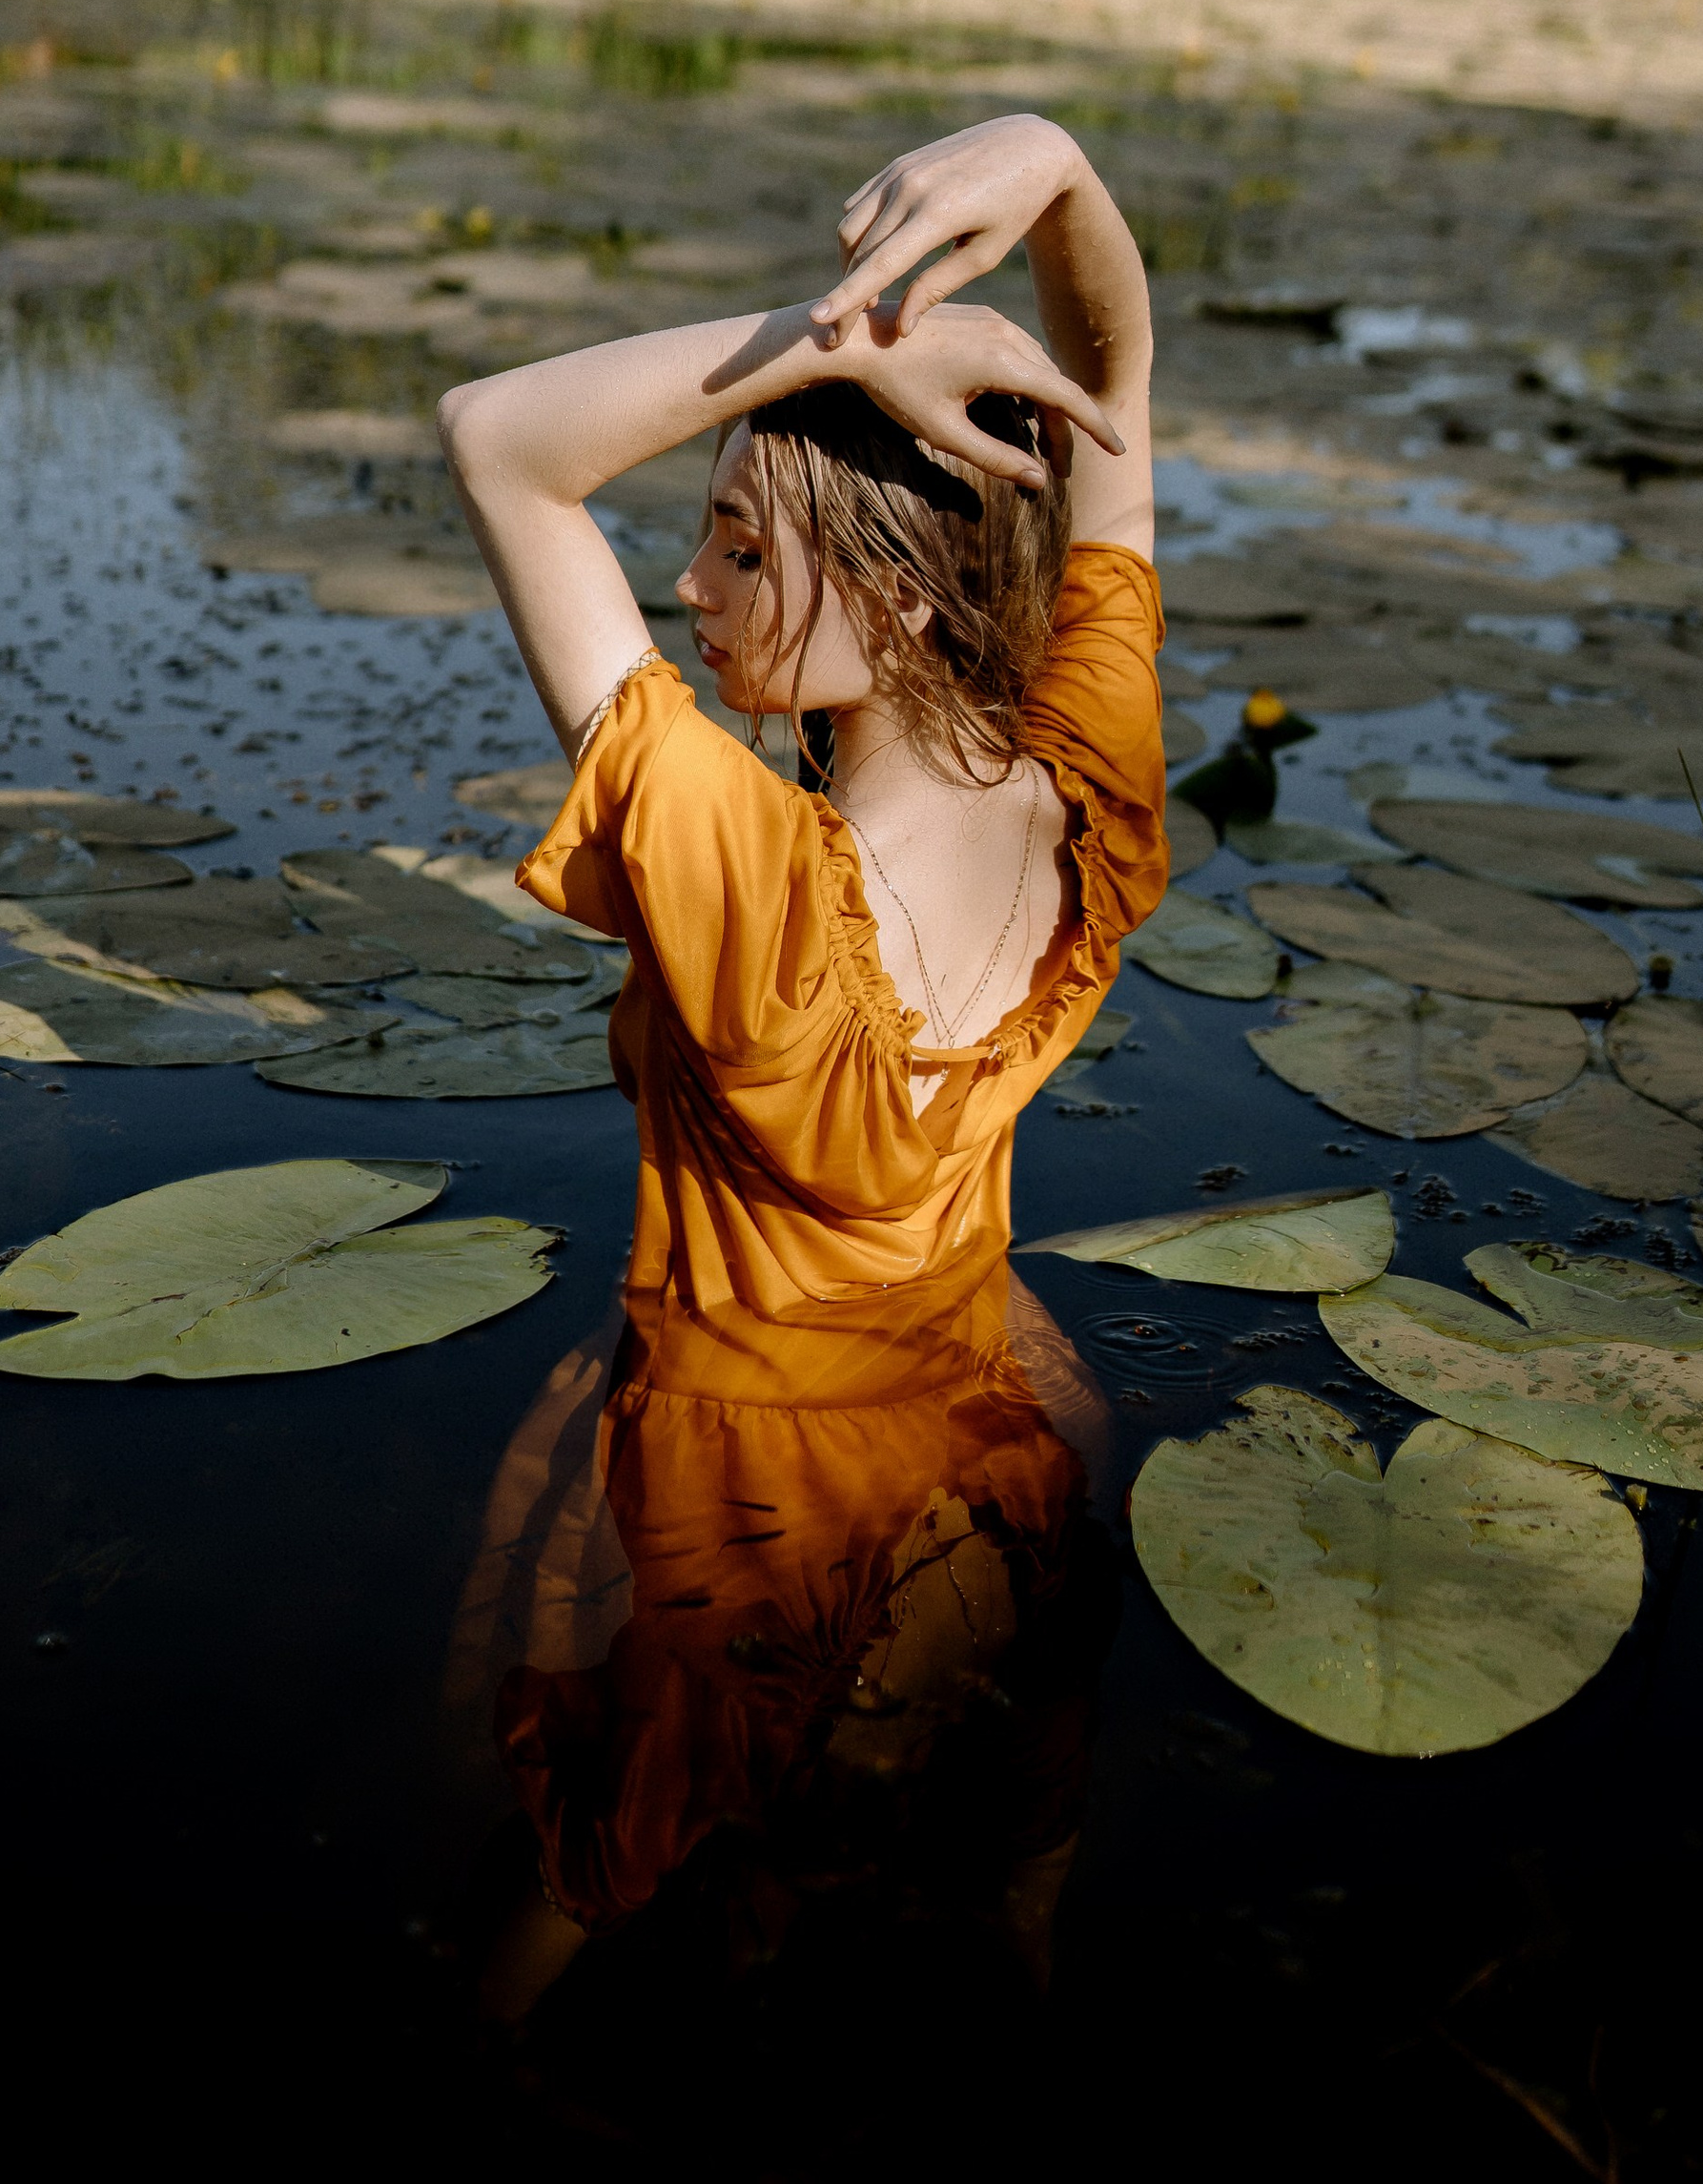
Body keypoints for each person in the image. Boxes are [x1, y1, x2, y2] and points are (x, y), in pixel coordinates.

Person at [437, 112, 1165, 2022]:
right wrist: (1061, 171)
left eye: (741, 545)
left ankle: (459, 2086)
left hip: (738, 1484)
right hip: (982, 1415)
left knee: (618, 1842)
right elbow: (1110, 398)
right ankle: (1019, 1959)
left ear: (902, 594)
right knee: (1010, 1762)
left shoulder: (746, 877)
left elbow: (497, 437)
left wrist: (827, 343)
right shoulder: (1088, 795)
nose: (689, 583)